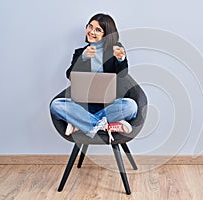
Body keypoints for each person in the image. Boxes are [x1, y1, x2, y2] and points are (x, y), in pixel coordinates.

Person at [50, 13, 138, 143]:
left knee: (131, 106)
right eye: (90, 26)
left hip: (109, 106)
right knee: (55, 105)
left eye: (98, 29)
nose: (92, 31)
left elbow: (123, 75)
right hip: (83, 108)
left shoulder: (114, 49)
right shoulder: (80, 52)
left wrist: (120, 59)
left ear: (106, 34)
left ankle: (80, 125)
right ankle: (106, 126)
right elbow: (70, 75)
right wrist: (82, 58)